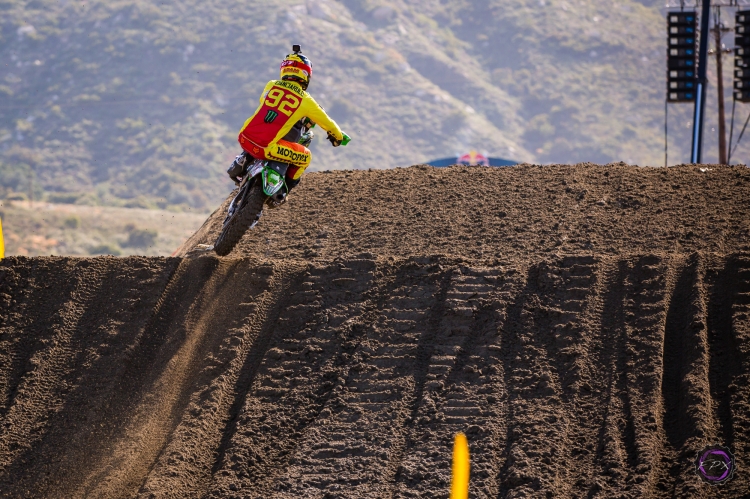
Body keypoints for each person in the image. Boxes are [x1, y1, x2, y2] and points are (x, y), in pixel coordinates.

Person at [227, 45, 344, 196]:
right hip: (266, 148)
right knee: (306, 157)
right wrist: (338, 137)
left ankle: (243, 160)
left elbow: (266, 104)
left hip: (244, 137)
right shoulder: (306, 100)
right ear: (305, 74)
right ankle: (284, 190)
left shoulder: (271, 85)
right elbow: (327, 122)